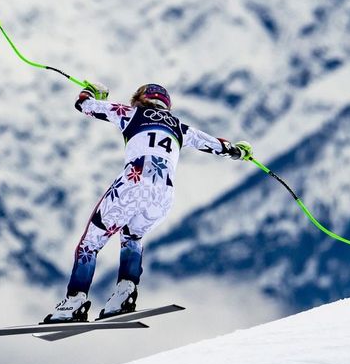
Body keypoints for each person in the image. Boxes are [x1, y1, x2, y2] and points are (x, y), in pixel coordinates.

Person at [43, 82, 251, 323]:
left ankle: (74, 303)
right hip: (163, 195)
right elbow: (219, 146)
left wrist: (91, 91)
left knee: (90, 244)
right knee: (132, 237)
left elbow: (85, 106)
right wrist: (239, 151)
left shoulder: (131, 113)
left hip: (133, 184)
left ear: (140, 99)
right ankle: (125, 295)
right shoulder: (181, 128)